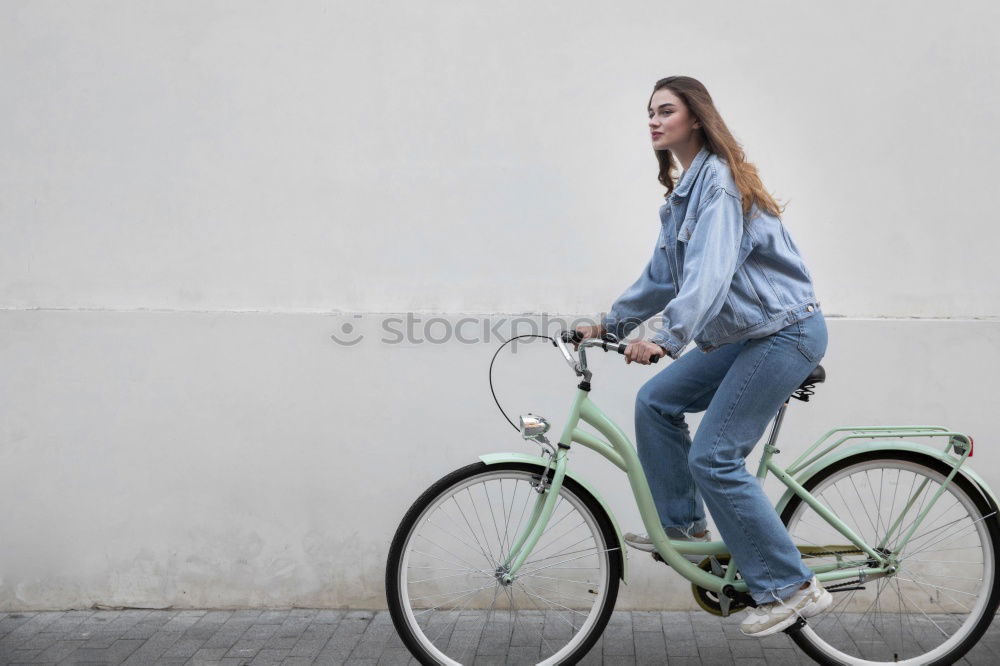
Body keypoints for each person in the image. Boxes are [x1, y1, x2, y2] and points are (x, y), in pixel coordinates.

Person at [574, 76, 832, 637]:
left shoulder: (717, 183)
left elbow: (709, 274)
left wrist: (665, 339)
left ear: (695, 118)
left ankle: (791, 587)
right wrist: (609, 325)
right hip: (750, 336)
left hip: (786, 332)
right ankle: (692, 538)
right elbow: (663, 276)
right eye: (649, 112)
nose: (653, 120)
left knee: (714, 457)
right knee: (656, 402)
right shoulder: (684, 195)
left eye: (665, 110)